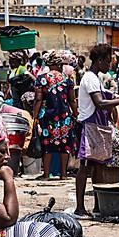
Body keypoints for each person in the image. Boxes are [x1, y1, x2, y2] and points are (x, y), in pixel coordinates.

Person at [74, 44, 119, 217]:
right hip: (89, 126)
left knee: (98, 166)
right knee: (85, 168)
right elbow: (99, 102)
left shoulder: (96, 78)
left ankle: (99, 206)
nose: (109, 66)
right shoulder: (90, 78)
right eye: (107, 62)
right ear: (99, 61)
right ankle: (80, 207)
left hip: (97, 126)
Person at [33, 50, 78, 180]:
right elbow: (72, 100)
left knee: (47, 143)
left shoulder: (41, 79)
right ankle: (63, 174)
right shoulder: (67, 79)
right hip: (65, 116)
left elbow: (38, 99)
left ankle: (46, 174)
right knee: (64, 144)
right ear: (60, 65)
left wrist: (35, 116)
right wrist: (76, 114)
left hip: (47, 115)